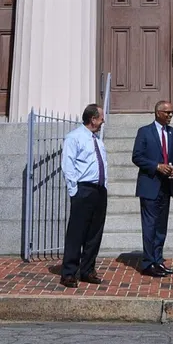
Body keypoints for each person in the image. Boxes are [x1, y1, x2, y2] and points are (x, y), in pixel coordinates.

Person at [131, 99, 173, 277]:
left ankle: (158, 260)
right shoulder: (144, 132)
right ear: (157, 113)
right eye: (167, 112)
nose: (170, 115)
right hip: (150, 185)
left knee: (161, 226)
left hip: (166, 186)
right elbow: (137, 157)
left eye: (172, 113)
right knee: (150, 226)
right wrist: (157, 166)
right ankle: (148, 263)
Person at [59, 103, 109, 288]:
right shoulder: (75, 137)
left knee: (95, 233)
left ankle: (87, 270)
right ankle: (69, 273)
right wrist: (74, 191)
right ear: (93, 119)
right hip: (83, 189)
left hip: (99, 190)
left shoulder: (97, 140)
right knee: (77, 232)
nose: (103, 121)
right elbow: (68, 165)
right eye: (101, 117)